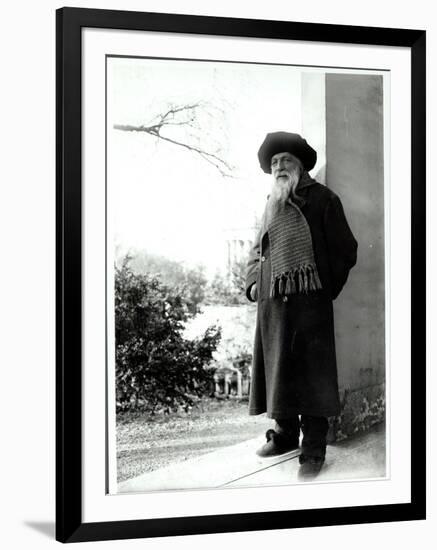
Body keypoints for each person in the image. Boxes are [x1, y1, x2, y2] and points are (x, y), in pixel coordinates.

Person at [246, 131, 358, 479]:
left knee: (311, 377)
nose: (279, 167)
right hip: (273, 307)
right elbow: (257, 250)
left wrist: (322, 291)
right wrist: (253, 284)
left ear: (300, 166)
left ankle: (312, 451)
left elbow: (345, 251)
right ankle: (284, 436)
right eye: (274, 162)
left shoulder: (324, 200)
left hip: (309, 307)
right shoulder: (270, 203)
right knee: (278, 373)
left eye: (286, 161)